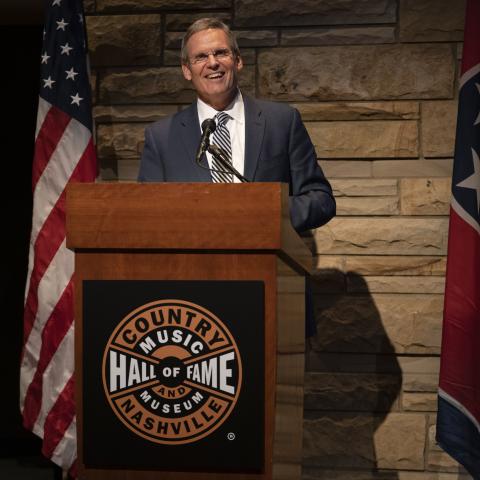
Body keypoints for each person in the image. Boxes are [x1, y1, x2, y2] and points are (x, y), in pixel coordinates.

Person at [138, 17, 335, 233]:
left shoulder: (282, 122)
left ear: (238, 61)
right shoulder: (161, 137)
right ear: (187, 70)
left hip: (266, 261)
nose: (212, 63)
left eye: (221, 52)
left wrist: (265, 213)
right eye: (201, 57)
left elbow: (321, 200)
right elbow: (147, 214)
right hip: (193, 263)